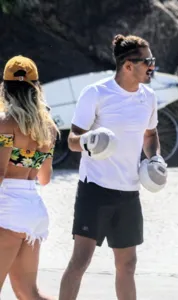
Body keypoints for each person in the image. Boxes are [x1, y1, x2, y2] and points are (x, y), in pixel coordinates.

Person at [58, 34, 168, 300]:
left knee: (128, 264)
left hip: (129, 192)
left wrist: (154, 159)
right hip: (94, 189)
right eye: (147, 61)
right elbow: (71, 140)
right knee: (80, 261)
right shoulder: (96, 93)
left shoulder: (149, 97)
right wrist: (88, 142)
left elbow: (150, 135)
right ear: (128, 65)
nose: (152, 66)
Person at [0, 55, 58, 300]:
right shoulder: (48, 128)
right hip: (33, 211)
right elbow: (44, 178)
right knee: (28, 292)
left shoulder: (6, 124)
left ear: (5, 87)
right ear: (36, 87)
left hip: (8, 211)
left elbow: (0, 172)